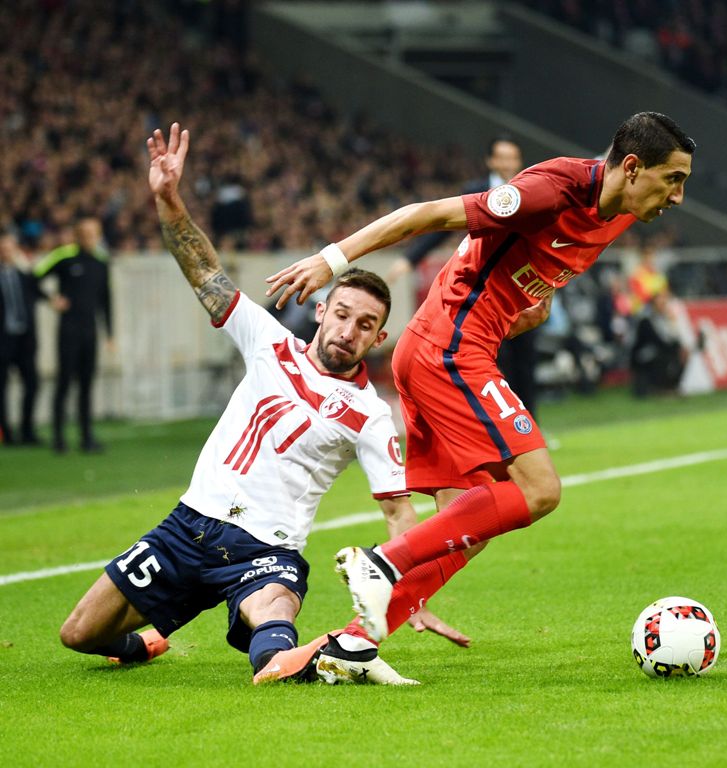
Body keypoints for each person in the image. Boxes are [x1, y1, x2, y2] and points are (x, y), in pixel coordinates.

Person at [264, 111, 695, 667]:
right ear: (632, 168)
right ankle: (386, 562)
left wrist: (531, 302)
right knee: (539, 490)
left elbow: (530, 266)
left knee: (467, 525)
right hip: (450, 348)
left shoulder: (621, 212)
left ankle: (349, 645)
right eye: (674, 179)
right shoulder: (548, 191)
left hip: (444, 348)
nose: (679, 196)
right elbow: (427, 215)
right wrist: (332, 260)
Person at [59, 123, 446, 687]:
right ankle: (148, 642)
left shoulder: (371, 413)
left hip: (266, 548)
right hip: (187, 528)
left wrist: (413, 593)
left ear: (378, 338)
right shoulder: (268, 341)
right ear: (320, 312)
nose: (349, 330)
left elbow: (397, 512)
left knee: (271, 627)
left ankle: (301, 658)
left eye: (366, 325)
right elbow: (204, 271)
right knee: (78, 634)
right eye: (341, 315)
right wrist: (168, 199)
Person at [386, 137, 544, 419]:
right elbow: (442, 225)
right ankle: (498, 423)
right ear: (491, 161)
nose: (509, 164)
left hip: (523, 290)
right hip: (485, 292)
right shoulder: (476, 191)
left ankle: (530, 427)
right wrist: (409, 259)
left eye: (513, 158)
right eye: (503, 158)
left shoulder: (532, 190)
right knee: (495, 360)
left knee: (526, 361)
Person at [33, 217, 114, 453]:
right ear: (78, 235)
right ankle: (58, 438)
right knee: (64, 383)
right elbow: (34, 277)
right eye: (86, 233)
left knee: (87, 385)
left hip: (90, 332)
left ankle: (87, 438)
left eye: (94, 234)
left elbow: (106, 300)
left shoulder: (101, 262)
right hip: (68, 331)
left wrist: (109, 333)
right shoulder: (64, 257)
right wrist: (51, 299)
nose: (90, 238)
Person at [0, 232, 44, 445]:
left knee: (32, 384)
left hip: (25, 339)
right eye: (3, 249)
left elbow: (38, 288)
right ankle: (6, 433)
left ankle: (28, 430)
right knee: (2, 388)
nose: (6, 253)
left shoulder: (23, 274)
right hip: (3, 339)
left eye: (9, 248)